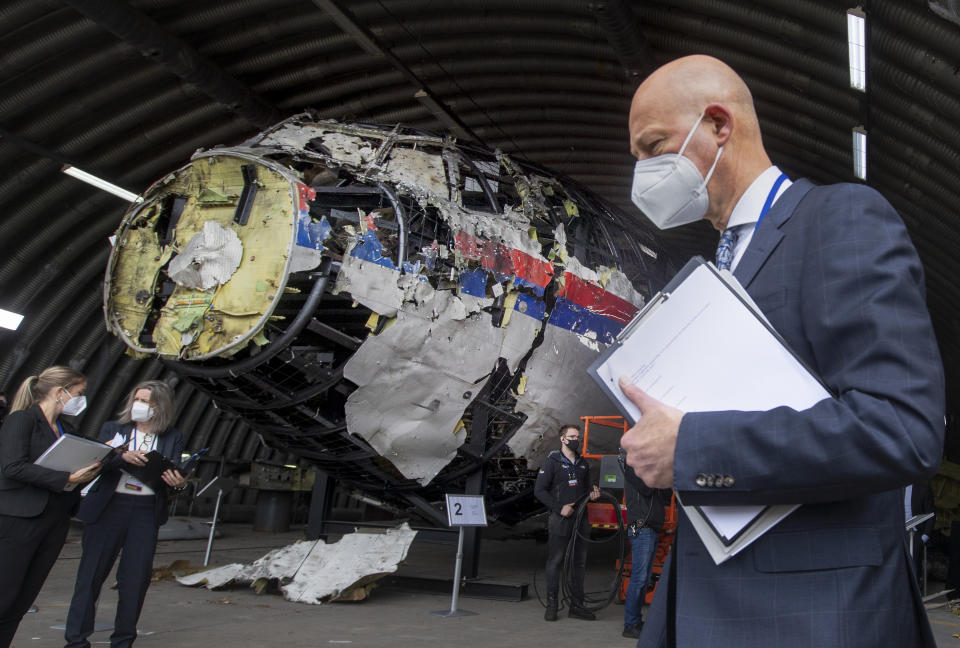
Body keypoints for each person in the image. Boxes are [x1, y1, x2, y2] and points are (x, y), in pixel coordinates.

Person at [619, 55, 944, 648]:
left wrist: (691, 445)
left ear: (719, 124)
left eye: (653, 146)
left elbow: (903, 427)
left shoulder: (840, 219)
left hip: (812, 617)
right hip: (700, 607)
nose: (640, 171)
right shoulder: (714, 270)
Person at [65, 380, 187, 648]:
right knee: (91, 576)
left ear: (160, 407)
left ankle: (123, 640)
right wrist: (122, 458)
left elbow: (175, 469)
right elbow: (97, 462)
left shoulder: (172, 436)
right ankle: (76, 640)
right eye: (137, 399)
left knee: (135, 578)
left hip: (145, 511)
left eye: (146, 402)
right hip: (110, 507)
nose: (139, 406)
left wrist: (179, 482)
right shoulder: (113, 428)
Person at [0, 367, 102, 648]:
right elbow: (12, 466)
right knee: (4, 594)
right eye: (79, 393)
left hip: (54, 522)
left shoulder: (66, 430)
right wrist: (67, 478)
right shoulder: (21, 421)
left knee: (22, 599)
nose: (81, 399)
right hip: (19, 521)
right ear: (61, 392)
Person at [534, 423, 601, 622]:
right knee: (556, 561)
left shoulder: (583, 463)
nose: (576, 440)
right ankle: (552, 604)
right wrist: (559, 507)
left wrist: (593, 493)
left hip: (581, 519)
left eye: (578, 437)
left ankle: (577, 605)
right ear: (563, 439)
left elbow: (587, 488)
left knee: (578, 563)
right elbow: (539, 491)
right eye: (572, 436)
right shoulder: (552, 462)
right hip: (561, 520)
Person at [619, 447, 669, 639]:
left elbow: (665, 495)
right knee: (639, 579)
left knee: (644, 578)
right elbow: (647, 488)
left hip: (651, 527)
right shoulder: (633, 466)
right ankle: (630, 624)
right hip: (642, 527)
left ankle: (636, 621)